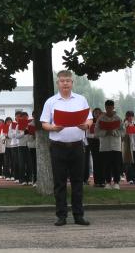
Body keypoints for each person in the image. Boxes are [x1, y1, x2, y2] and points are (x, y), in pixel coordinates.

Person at [40, 70, 92, 227]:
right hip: (58, 147)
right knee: (59, 182)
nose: (65, 83)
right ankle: (61, 215)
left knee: (78, 182)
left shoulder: (81, 99)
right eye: (62, 81)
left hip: (77, 146)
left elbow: (89, 119)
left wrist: (86, 125)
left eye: (68, 81)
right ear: (58, 83)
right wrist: (53, 127)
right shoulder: (51, 102)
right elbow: (44, 123)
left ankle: (78, 215)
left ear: (72, 83)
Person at [96, 100, 123, 189]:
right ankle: (107, 182)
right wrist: (105, 132)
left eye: (111, 108)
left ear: (113, 107)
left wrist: (114, 132)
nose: (109, 109)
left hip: (116, 145)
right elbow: (96, 132)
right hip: (105, 145)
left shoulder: (118, 118)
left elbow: (123, 132)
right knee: (106, 165)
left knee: (116, 165)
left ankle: (116, 182)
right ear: (105, 107)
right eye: (107, 108)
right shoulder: (101, 119)